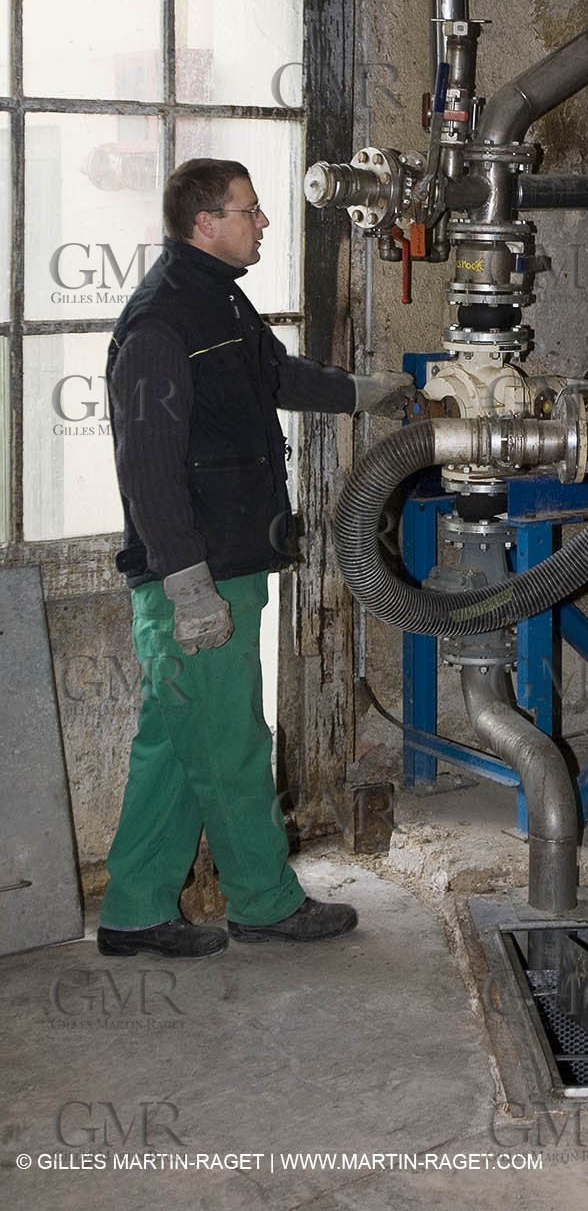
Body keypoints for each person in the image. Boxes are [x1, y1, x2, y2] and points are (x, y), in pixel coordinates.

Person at [97, 158, 411, 959]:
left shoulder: (216, 298)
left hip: (229, 561)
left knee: (176, 743)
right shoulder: (161, 322)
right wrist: (188, 583)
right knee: (232, 742)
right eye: (250, 211)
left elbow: (274, 375)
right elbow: (148, 467)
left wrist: (367, 392)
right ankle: (264, 902)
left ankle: (134, 908)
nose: (263, 222)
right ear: (206, 221)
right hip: (191, 579)